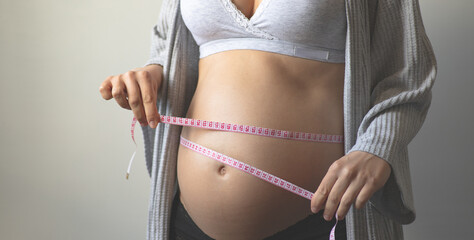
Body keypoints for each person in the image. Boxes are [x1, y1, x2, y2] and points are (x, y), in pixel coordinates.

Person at [99, 0, 437, 239]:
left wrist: (377, 148)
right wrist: (154, 73)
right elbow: (171, 46)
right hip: (185, 223)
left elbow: (406, 70)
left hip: (320, 221)